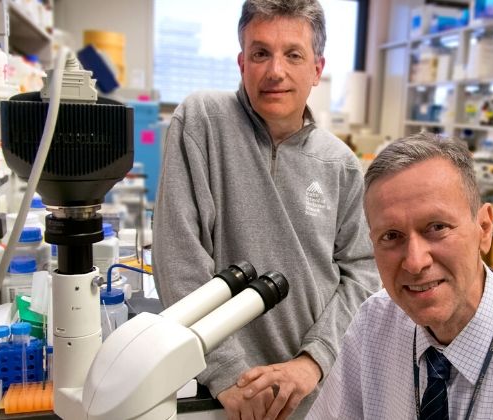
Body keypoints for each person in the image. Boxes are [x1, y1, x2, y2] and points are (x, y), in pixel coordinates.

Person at [152, 1, 380, 419]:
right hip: (223, 395)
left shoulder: (341, 165)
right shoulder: (202, 121)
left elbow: (363, 274)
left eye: (293, 54)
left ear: (316, 69)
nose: (276, 70)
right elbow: (179, 256)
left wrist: (313, 362)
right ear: (242, 62)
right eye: (261, 53)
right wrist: (228, 375)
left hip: (317, 391)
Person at [308, 132, 493, 419]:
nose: (415, 263)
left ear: (484, 229)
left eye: (437, 227)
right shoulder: (373, 324)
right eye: (391, 236)